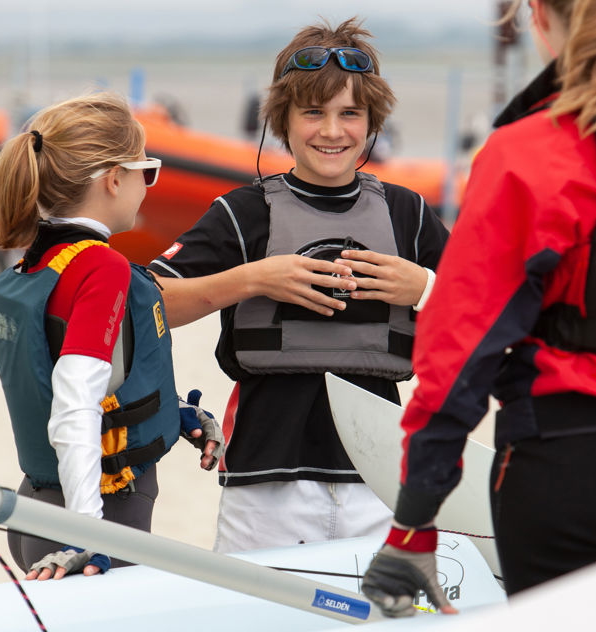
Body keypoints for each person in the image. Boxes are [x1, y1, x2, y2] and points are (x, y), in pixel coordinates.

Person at [361, 0, 596, 632]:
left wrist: (414, 523)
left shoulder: (527, 149)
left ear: (538, 17)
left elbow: (458, 355)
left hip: (570, 475)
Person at [148, 18, 449, 553]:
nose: (332, 132)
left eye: (349, 114)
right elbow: (145, 304)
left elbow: (496, 316)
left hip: (381, 484)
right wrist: (253, 278)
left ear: (371, 121)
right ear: (281, 119)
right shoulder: (242, 214)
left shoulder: (408, 213)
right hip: (266, 485)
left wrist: (423, 287)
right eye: (313, 112)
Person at [0, 92, 223, 581]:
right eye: (147, 171)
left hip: (37, 501)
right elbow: (74, 401)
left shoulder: (42, 262)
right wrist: (87, 535)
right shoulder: (101, 268)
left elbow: (96, 379)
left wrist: (171, 414)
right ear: (114, 179)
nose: (147, 187)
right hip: (95, 517)